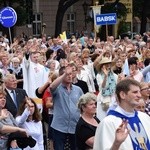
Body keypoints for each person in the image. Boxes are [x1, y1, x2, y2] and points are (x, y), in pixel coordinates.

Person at [94, 79, 150, 150]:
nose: (139, 95)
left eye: (139, 92)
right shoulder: (109, 122)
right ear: (122, 95)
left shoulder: (144, 117)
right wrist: (116, 143)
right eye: (135, 92)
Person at [49, 65, 83, 150]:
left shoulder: (78, 90)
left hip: (74, 126)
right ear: (61, 76)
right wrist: (64, 74)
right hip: (59, 126)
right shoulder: (57, 89)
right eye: (67, 74)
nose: (69, 76)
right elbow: (51, 87)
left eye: (71, 74)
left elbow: (83, 104)